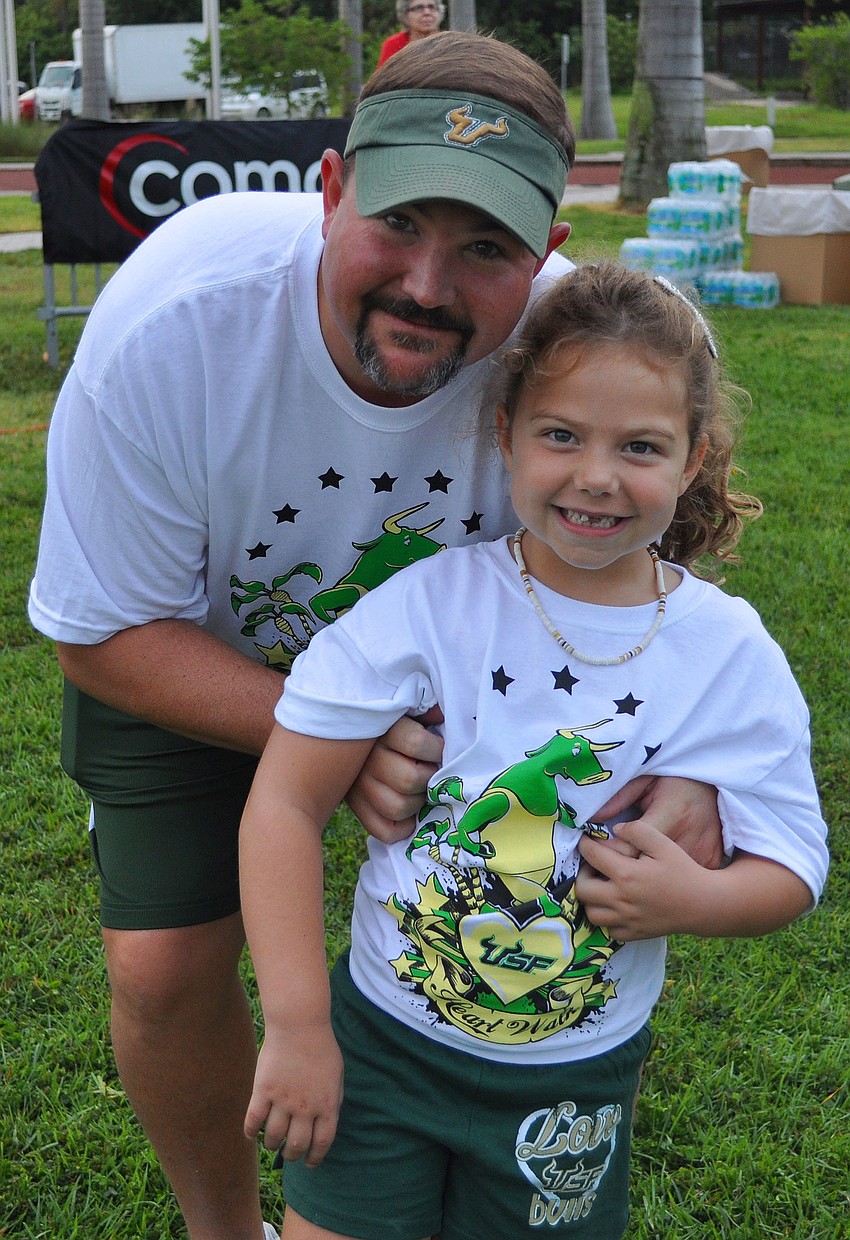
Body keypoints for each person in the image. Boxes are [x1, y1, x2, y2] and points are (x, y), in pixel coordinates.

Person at [28, 31, 722, 1240]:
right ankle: (220, 1226)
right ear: (330, 188)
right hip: (197, 652)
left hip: (469, 685)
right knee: (159, 967)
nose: (428, 287)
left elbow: (660, 562)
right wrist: (338, 737)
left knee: (509, 927)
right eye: (399, 223)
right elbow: (100, 633)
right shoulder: (171, 327)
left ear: (546, 255)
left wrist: (693, 764)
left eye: (485, 248)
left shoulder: (577, 349)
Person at [239, 262, 828, 1240]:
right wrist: (299, 1026)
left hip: (573, 1083)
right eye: (561, 434)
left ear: (692, 460)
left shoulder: (729, 652)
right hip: (379, 1044)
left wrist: (698, 901)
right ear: (503, 432)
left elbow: (792, 863)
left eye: (639, 445)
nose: (595, 475)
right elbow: (284, 804)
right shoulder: (428, 605)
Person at [377, 1, 445, 67]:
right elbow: (385, 78)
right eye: (419, 8)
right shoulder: (394, 44)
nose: (427, 12)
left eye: (431, 7)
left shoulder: (448, 42)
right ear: (405, 14)